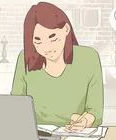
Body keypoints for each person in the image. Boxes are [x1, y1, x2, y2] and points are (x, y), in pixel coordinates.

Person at [10, 2, 104, 131]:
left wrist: (85, 120)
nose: (46, 48)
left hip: (74, 135)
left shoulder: (88, 58)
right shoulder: (25, 58)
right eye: (38, 41)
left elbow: (95, 111)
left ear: (66, 29)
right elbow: (14, 105)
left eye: (53, 38)